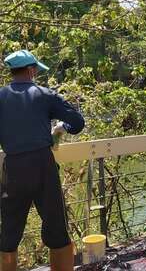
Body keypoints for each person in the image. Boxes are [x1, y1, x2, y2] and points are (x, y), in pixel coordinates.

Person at [0, 50, 85, 271]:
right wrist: (60, 128)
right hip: (42, 166)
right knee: (56, 227)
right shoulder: (45, 94)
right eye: (35, 69)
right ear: (31, 70)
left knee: (9, 230)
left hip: (13, 168)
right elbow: (77, 123)